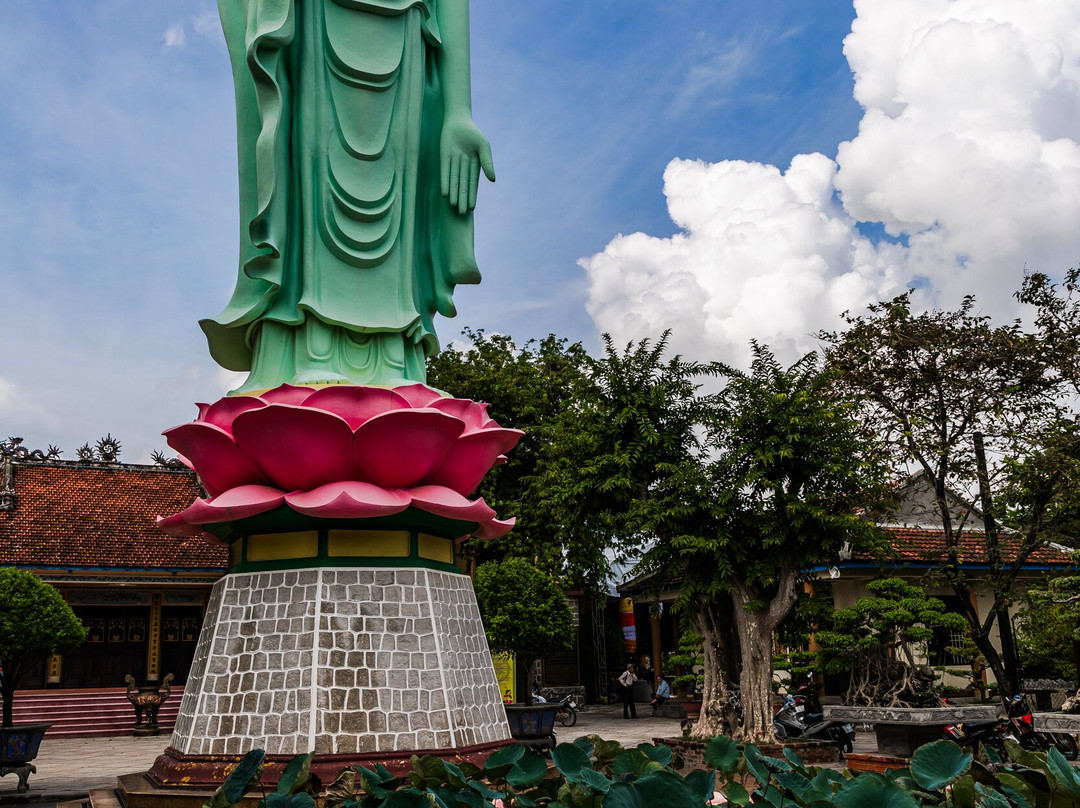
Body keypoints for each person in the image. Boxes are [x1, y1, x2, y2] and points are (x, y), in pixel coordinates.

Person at [206, 0, 496, 392]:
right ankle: (311, 349)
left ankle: (393, 355)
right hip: (312, 15)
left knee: (400, 184)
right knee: (309, 172)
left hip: (406, 28)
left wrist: (458, 110)